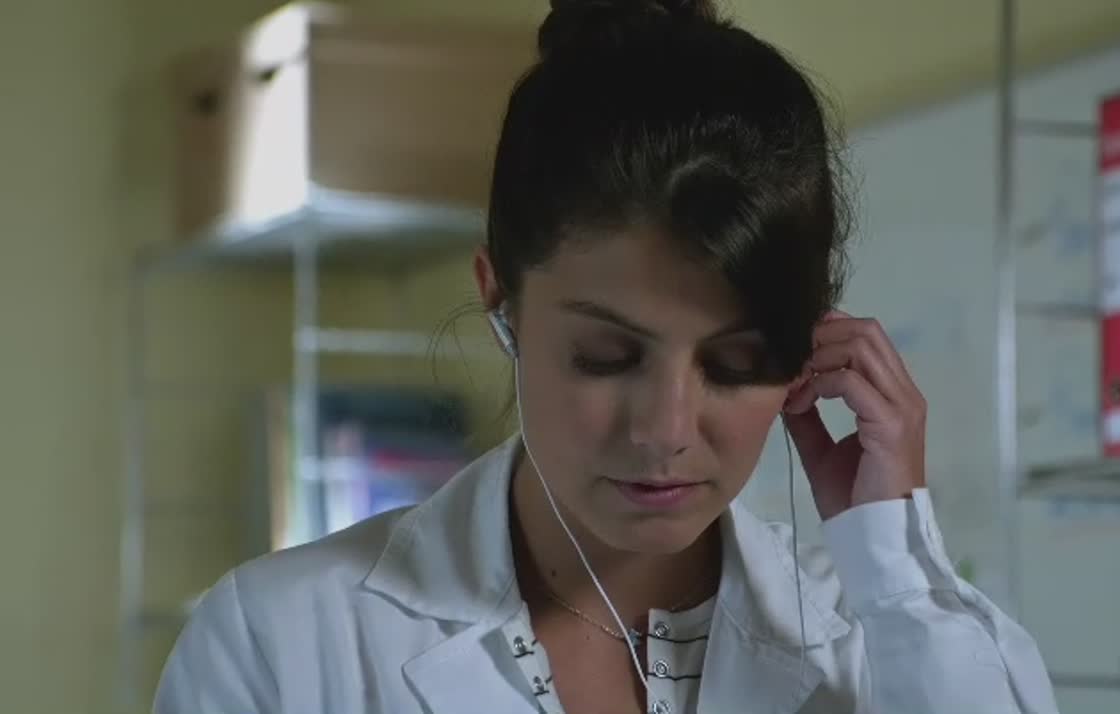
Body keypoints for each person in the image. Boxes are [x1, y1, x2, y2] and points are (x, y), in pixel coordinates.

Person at [154, 1, 1060, 712]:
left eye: (735, 363)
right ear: (500, 298)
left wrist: (897, 565)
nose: (666, 430)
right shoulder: (283, 640)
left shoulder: (878, 639)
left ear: (808, 350)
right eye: (606, 355)